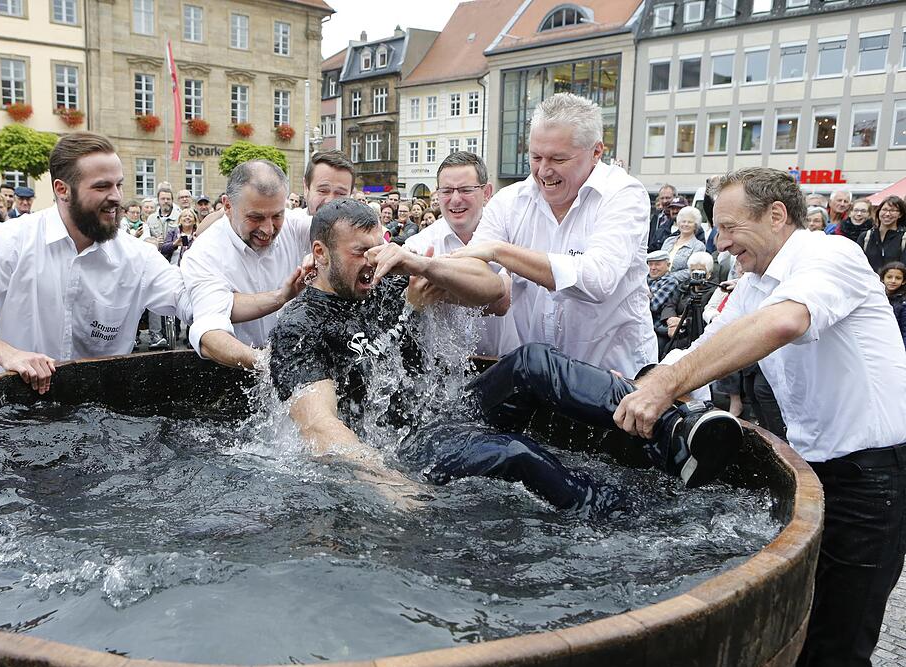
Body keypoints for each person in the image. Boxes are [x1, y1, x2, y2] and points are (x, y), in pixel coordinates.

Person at [614, 167, 906, 667]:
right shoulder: (753, 284)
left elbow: (784, 323)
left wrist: (666, 385)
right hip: (820, 468)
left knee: (839, 644)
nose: (720, 242)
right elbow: (705, 348)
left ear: (776, 215)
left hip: (874, 476)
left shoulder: (830, 256)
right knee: (803, 625)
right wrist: (643, 382)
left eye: (728, 228)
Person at [269, 199, 740, 510]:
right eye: (359, 252)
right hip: (396, 448)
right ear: (320, 253)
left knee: (534, 359)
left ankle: (673, 432)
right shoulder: (302, 326)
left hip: (443, 409)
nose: (373, 260)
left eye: (379, 246)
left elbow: (493, 291)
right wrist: (383, 482)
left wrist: (423, 264)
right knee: (513, 453)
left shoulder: (393, 276)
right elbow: (318, 426)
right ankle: (610, 510)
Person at [0, 132, 192, 394]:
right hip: (20, 411)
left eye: (118, 185)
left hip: (101, 415)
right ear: (62, 190)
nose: (116, 197)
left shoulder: (136, 255)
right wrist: (10, 356)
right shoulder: (13, 239)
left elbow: (189, 298)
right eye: (102, 187)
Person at [451, 93, 657, 378]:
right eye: (535, 156)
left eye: (559, 158)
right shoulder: (510, 201)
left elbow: (597, 280)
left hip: (615, 377)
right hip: (539, 380)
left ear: (596, 152)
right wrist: (429, 271)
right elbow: (473, 268)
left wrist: (501, 251)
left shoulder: (623, 194)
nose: (544, 170)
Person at [184, 151, 355, 368]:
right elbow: (210, 334)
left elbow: (346, 234)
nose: (268, 229)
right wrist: (270, 363)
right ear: (227, 206)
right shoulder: (205, 252)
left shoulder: (294, 225)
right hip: (236, 371)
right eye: (255, 218)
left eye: (277, 215)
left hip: (298, 362)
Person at [404, 151, 519, 357]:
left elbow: (502, 301)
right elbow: (409, 304)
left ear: (487, 192)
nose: (455, 200)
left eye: (466, 190)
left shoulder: (510, 236)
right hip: (445, 372)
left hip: (505, 364)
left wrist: (437, 279)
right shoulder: (419, 244)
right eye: (447, 191)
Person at [658, 251, 717, 356]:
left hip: (692, 331)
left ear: (709, 273)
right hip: (672, 327)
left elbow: (703, 316)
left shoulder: (714, 290)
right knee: (658, 343)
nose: (696, 274)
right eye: (693, 270)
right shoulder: (684, 286)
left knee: (672, 349)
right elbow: (670, 305)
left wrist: (683, 322)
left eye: (701, 270)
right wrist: (670, 319)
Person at [859, 196, 906, 272]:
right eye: (884, 209)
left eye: (892, 210)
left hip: (894, 283)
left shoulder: (904, 238)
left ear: (900, 214)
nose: (887, 214)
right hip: (869, 282)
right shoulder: (865, 237)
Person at [659, 206, 705, 281]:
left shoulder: (699, 246)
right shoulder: (668, 241)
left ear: (695, 225)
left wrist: (669, 277)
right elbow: (659, 260)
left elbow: (693, 270)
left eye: (690, 222)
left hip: (679, 285)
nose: (686, 224)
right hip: (659, 280)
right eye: (683, 221)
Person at [646, 249, 678, 321]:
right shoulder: (644, 278)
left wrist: (643, 293)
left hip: (655, 322)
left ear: (668, 265)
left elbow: (653, 306)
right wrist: (649, 295)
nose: (653, 268)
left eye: (657, 264)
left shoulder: (670, 282)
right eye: (650, 264)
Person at [880, 261, 906, 348]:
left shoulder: (903, 302)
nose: (893, 281)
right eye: (889, 277)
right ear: (883, 278)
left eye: (898, 278)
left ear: (903, 281)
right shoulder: (877, 297)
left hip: (896, 343)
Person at [648, 184, 677, 252]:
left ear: (675, 197)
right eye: (662, 198)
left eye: (668, 198)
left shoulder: (679, 217)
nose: (664, 201)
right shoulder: (656, 217)